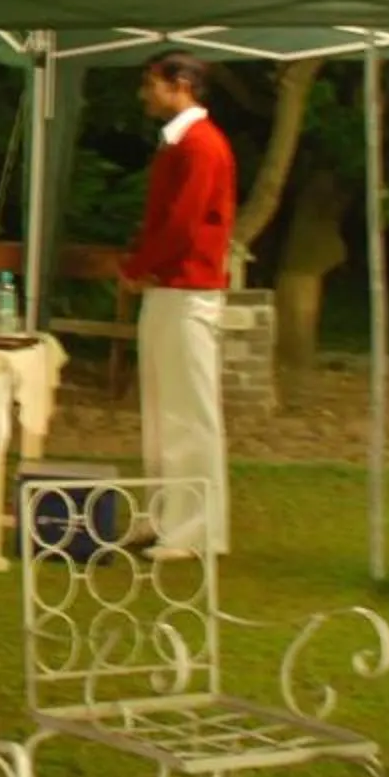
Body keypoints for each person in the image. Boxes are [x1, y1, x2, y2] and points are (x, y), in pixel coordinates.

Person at [120, 52, 236, 554]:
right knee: (166, 410)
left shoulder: (200, 146)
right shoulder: (182, 144)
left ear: (181, 84)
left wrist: (137, 264)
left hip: (188, 291)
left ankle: (198, 528)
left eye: (153, 84)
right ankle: (166, 517)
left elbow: (183, 223)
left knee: (191, 412)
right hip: (173, 289)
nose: (146, 94)